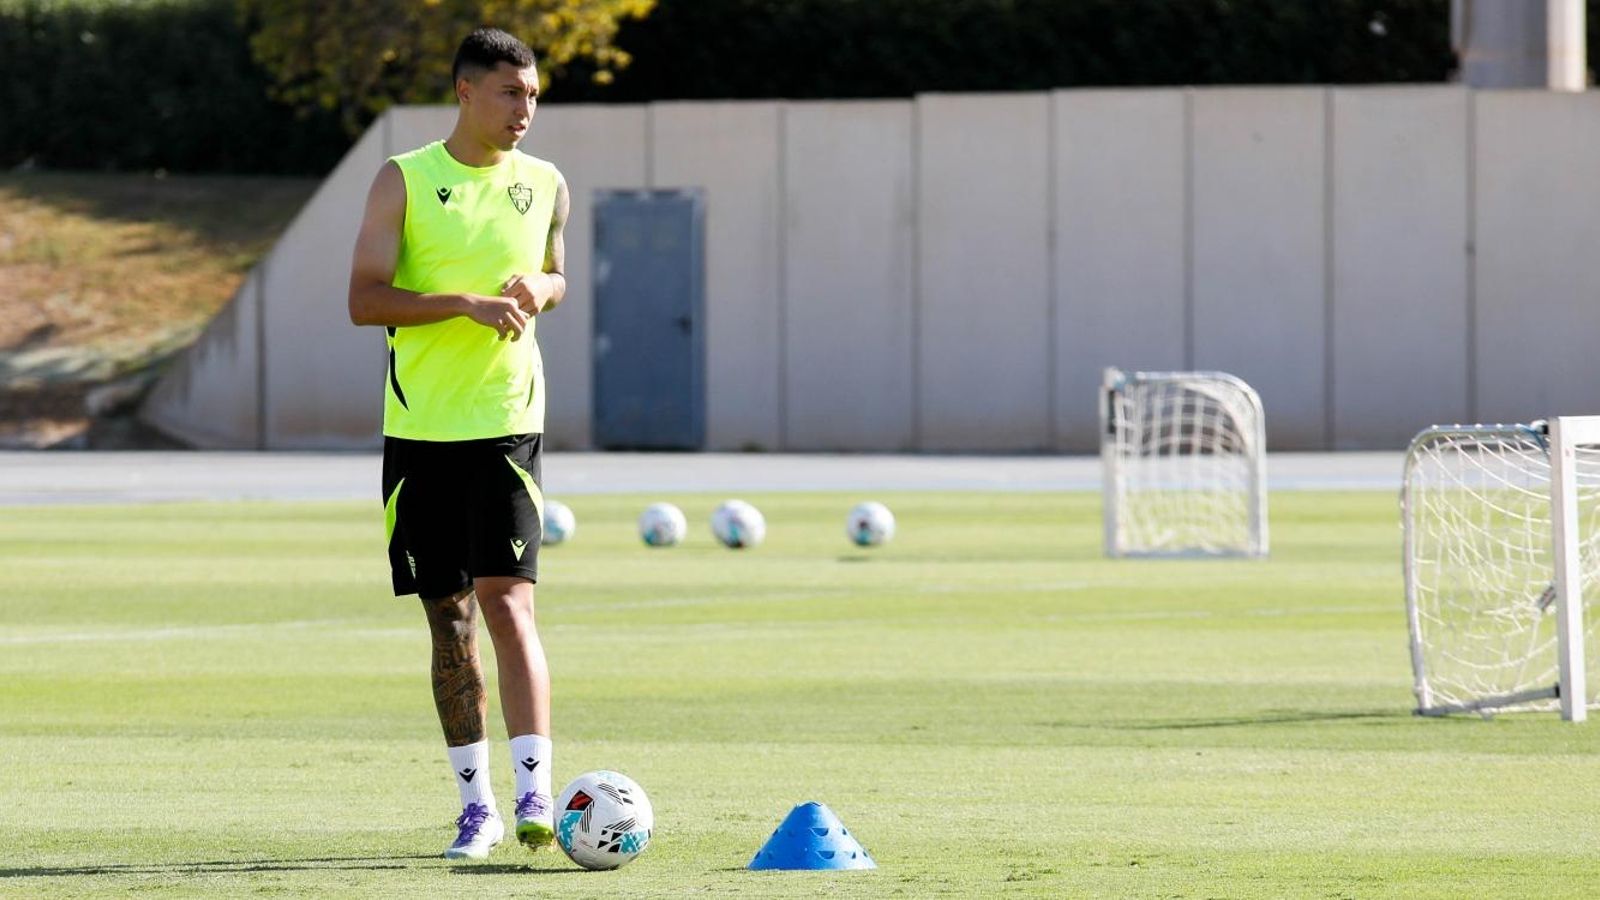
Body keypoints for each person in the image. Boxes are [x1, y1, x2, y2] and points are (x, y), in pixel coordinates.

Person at [346, 27, 569, 861]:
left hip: (507, 425)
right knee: (451, 623)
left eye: (535, 95)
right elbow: (365, 302)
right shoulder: (403, 180)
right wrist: (466, 304)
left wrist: (539, 288)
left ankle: (537, 793)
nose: (526, 111)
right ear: (466, 92)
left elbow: (557, 272)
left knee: (510, 604)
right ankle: (476, 808)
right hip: (420, 433)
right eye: (511, 94)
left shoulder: (546, 184)